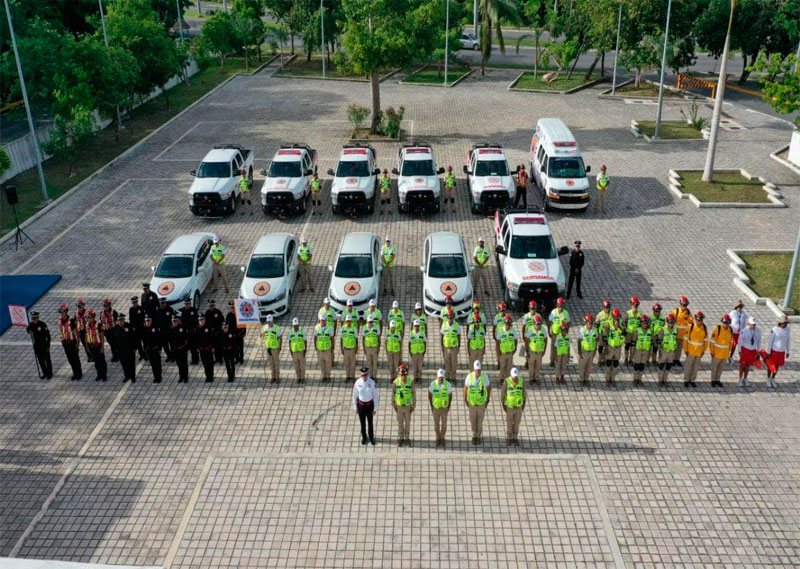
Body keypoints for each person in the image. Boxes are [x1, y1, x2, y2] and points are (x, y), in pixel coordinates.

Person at [464, 360, 490, 445]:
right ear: (474, 369)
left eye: (479, 370)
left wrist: (487, 399)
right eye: (476, 370)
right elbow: (466, 388)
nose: (478, 371)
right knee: (472, 420)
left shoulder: (485, 377)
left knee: (480, 420)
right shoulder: (469, 377)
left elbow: (488, 388)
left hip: (481, 403)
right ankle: (473, 434)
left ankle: (478, 436)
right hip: (472, 403)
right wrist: (465, 399)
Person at [353, 367, 379, 445]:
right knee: (362, 423)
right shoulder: (358, 383)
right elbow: (354, 396)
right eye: (362, 375)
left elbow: (375, 396)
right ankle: (364, 437)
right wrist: (355, 407)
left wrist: (375, 408)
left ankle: (371, 437)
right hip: (361, 406)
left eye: (365, 375)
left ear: (367, 375)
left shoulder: (372, 383)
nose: (364, 377)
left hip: (369, 405)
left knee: (370, 423)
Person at [682, 310, 708, 388]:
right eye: (698, 319)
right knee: (688, 367)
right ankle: (686, 380)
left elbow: (706, 341)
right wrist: (686, 350)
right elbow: (685, 339)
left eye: (701, 320)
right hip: (691, 351)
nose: (700, 321)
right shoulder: (690, 327)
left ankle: (692, 380)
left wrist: (704, 351)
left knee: (695, 367)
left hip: (699, 352)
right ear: (695, 319)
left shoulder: (704, 328)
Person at [392, 363, 415, 446]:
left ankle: (407, 438)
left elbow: (413, 394)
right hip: (399, 406)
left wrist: (413, 406)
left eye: (405, 375)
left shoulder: (410, 382)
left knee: (407, 423)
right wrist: (393, 404)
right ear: (399, 374)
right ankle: (401, 438)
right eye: (402, 375)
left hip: (408, 407)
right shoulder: (395, 382)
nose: (403, 377)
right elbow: (393, 394)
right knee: (400, 423)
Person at [58, 305, 82, 380]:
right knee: (70, 359)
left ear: (66, 312)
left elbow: (77, 333)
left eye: (63, 312)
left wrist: (78, 344)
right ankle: (74, 373)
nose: (62, 314)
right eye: (61, 312)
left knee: (76, 359)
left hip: (72, 343)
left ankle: (79, 373)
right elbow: (61, 331)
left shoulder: (71, 321)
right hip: (65, 343)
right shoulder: (59, 321)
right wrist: (62, 341)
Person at [429, 369, 453, 447]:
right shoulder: (433, 384)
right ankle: (437, 437)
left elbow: (450, 396)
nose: (441, 379)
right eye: (439, 377)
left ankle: (442, 437)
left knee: (444, 424)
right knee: (436, 424)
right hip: (436, 408)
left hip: (444, 408)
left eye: (442, 377)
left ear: (444, 377)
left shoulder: (448, 385)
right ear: (437, 376)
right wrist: (432, 405)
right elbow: (430, 395)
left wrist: (448, 405)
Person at [502, 367, 525, 446]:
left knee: (517, 423)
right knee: (509, 423)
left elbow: (524, 394)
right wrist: (504, 406)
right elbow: (503, 394)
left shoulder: (521, 382)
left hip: (518, 407)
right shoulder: (507, 381)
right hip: (510, 407)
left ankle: (515, 438)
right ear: (510, 375)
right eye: (513, 376)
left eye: (516, 376)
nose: (515, 378)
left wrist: (523, 406)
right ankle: (509, 438)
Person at [766, 315, 790, 386]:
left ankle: (773, 378)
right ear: (780, 323)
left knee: (777, 366)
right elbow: (770, 341)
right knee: (771, 366)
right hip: (774, 351)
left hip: (782, 351)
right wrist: (768, 352)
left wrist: (788, 351)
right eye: (784, 323)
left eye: (786, 323)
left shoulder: (787, 330)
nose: (785, 324)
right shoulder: (774, 330)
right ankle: (768, 379)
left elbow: (787, 341)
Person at [709, 314, 733, 387]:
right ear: (722, 322)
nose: (726, 324)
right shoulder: (717, 329)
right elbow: (712, 341)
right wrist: (712, 351)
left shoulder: (730, 330)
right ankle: (713, 380)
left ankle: (717, 380)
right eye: (725, 322)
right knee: (714, 368)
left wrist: (729, 352)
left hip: (724, 354)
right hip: (716, 353)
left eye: (727, 323)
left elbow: (730, 342)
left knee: (721, 368)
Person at [736, 317, 761, 388]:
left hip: (753, 350)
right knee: (742, 365)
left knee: (748, 365)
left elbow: (759, 341)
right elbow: (740, 341)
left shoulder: (758, 331)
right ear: (748, 323)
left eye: (754, 324)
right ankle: (740, 378)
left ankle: (745, 378)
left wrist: (758, 350)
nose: (753, 326)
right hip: (745, 349)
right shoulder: (744, 331)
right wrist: (739, 350)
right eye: (752, 324)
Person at [27, 311, 52, 380]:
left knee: (47, 360)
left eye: (35, 318)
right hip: (37, 346)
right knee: (41, 361)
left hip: (44, 345)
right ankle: (45, 373)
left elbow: (48, 336)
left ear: (38, 318)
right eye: (33, 319)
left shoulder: (42, 324)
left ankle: (50, 373)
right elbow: (28, 329)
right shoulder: (31, 325)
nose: (34, 320)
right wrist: (29, 330)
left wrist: (48, 345)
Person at [113, 314, 137, 383]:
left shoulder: (129, 326)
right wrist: (116, 349)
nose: (121, 322)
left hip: (130, 349)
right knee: (124, 364)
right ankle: (127, 376)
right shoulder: (116, 328)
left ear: (124, 320)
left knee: (131, 364)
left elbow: (134, 337)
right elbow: (114, 340)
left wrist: (135, 348)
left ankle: (133, 377)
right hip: (121, 350)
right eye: (119, 320)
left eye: (122, 320)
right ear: (118, 321)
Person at [656, 314, 679, 385]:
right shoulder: (662, 330)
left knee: (668, 366)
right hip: (664, 351)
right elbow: (659, 341)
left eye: (672, 322)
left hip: (671, 351)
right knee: (661, 366)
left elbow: (676, 339)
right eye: (669, 322)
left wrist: (676, 348)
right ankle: (660, 380)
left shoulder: (676, 329)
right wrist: (659, 351)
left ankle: (665, 380)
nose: (671, 324)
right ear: (667, 322)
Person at [603, 309, 624, 385]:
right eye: (615, 317)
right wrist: (606, 348)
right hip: (610, 347)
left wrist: (619, 327)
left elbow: (623, 333)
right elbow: (604, 337)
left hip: (618, 347)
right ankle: (607, 379)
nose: (616, 318)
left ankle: (613, 379)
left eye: (618, 317)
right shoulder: (608, 325)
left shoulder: (621, 324)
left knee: (615, 364)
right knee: (608, 364)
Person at [85, 310, 107, 381]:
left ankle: (104, 375)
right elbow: (86, 336)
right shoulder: (87, 325)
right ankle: (99, 374)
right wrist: (87, 346)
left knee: (102, 361)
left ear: (94, 317)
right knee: (96, 362)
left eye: (90, 317)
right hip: (92, 347)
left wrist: (102, 347)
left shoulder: (99, 324)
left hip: (98, 346)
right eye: (88, 317)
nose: (89, 319)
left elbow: (102, 336)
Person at [525, 314, 547, 384]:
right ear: (534, 323)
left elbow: (546, 340)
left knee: (538, 365)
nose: (538, 325)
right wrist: (527, 351)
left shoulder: (543, 329)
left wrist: (544, 350)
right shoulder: (530, 329)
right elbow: (526, 340)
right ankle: (531, 378)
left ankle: (537, 378)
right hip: (532, 351)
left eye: (539, 323)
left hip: (539, 351)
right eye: (536, 323)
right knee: (531, 365)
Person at [671, 297, 693, 366]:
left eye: (686, 305)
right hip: (675, 334)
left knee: (680, 348)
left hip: (683, 335)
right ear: (680, 304)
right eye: (683, 305)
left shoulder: (688, 313)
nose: (684, 307)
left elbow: (691, 322)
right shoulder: (676, 312)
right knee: (674, 347)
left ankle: (677, 359)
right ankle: (672, 360)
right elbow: (671, 321)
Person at [631, 315, 652, 385]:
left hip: (646, 351)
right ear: (641, 323)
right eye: (643, 323)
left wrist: (650, 353)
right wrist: (632, 352)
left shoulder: (649, 331)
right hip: (638, 351)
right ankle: (635, 379)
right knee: (636, 365)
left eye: (646, 323)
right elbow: (633, 342)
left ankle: (640, 379)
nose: (645, 325)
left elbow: (651, 343)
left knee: (642, 366)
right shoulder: (637, 331)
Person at [548, 298, 569, 367]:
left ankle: (560, 361)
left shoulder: (566, 313)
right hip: (555, 333)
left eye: (562, 306)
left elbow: (568, 323)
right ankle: (552, 360)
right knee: (553, 347)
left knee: (561, 348)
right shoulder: (553, 312)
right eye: (559, 306)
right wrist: (549, 331)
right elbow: (549, 322)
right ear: (557, 305)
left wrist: (567, 332)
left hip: (562, 334)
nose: (560, 307)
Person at [577, 314, 598, 385]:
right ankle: (581, 379)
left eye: (591, 323)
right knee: (582, 366)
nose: (590, 325)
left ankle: (586, 378)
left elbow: (596, 339)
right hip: (584, 351)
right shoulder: (582, 330)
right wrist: (579, 352)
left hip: (591, 351)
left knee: (589, 366)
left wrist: (595, 349)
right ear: (586, 323)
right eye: (589, 323)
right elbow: (579, 341)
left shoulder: (595, 330)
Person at [440, 310, 461, 382]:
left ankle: (453, 378)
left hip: (454, 347)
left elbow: (458, 336)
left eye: (451, 317)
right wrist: (442, 346)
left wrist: (459, 346)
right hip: (446, 347)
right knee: (447, 363)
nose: (450, 319)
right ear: (447, 317)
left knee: (454, 363)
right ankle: (447, 377)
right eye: (449, 317)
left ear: (453, 317)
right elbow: (442, 335)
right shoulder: (444, 325)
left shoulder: (457, 325)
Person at [495, 315, 517, 380]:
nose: (508, 325)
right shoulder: (501, 330)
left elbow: (515, 340)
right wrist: (498, 351)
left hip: (510, 352)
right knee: (502, 366)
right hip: (503, 353)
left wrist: (515, 349)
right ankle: (501, 379)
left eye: (509, 324)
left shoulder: (513, 330)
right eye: (506, 324)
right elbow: (498, 341)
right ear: (504, 323)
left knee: (509, 367)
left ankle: (508, 379)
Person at [141, 316, 163, 383]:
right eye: (146, 321)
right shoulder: (144, 329)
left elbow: (159, 339)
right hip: (149, 350)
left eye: (148, 321)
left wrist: (160, 349)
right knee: (153, 365)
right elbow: (143, 340)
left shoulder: (155, 328)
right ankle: (155, 377)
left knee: (157, 364)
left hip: (155, 349)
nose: (147, 322)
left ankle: (159, 377)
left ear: (151, 321)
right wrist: (145, 349)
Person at [169, 315, 190, 383]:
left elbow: (186, 338)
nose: (174, 323)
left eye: (175, 321)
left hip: (182, 348)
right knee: (179, 364)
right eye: (173, 321)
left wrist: (187, 348)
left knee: (184, 363)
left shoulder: (182, 328)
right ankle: (181, 376)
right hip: (176, 349)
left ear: (178, 321)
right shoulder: (171, 328)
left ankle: (186, 376)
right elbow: (170, 340)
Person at [261, 314, 282, 383]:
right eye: (268, 321)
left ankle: (277, 377)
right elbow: (262, 335)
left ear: (272, 321)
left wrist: (279, 347)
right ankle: (273, 377)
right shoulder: (265, 328)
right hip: (268, 348)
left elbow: (280, 338)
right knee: (271, 363)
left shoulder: (277, 328)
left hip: (275, 348)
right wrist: (261, 334)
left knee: (276, 363)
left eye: (270, 321)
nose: (269, 323)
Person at [313, 314, 334, 382]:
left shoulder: (330, 328)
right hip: (320, 350)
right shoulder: (316, 327)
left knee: (328, 364)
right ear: (320, 320)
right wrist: (315, 346)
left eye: (323, 320)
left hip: (327, 349)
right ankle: (323, 376)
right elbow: (315, 337)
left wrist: (332, 348)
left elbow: (332, 338)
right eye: (321, 320)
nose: (322, 321)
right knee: (321, 364)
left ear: (325, 321)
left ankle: (328, 376)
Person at [621, 297, 642, 365]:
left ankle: (631, 359)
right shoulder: (628, 313)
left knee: (633, 346)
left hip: (635, 333)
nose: (635, 307)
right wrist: (624, 331)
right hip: (628, 332)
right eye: (634, 305)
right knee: (627, 346)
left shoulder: (640, 313)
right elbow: (624, 322)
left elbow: (641, 323)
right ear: (631, 305)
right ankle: (626, 358)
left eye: (637, 305)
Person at [196, 315, 216, 382]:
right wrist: (197, 347)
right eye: (200, 320)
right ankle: (207, 376)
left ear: (205, 320)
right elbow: (196, 339)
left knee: (210, 363)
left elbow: (213, 338)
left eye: (202, 320)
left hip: (209, 349)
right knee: (205, 364)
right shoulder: (198, 328)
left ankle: (211, 376)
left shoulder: (209, 327)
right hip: (202, 350)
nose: (201, 321)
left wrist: (213, 347)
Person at [155, 298, 175, 362]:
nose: (163, 304)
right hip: (162, 332)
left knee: (172, 345)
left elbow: (174, 319)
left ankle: (173, 356)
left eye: (164, 303)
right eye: (161, 303)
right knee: (165, 346)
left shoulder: (170, 309)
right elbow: (157, 321)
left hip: (170, 331)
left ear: (166, 303)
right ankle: (169, 356)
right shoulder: (158, 311)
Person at [182, 297, 200, 365]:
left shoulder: (193, 310)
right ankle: (193, 359)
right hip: (188, 332)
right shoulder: (183, 311)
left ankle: (197, 359)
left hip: (194, 331)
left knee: (195, 346)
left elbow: (197, 320)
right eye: (186, 304)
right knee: (191, 347)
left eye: (188, 304)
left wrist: (196, 328)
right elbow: (183, 321)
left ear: (190, 304)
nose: (187, 305)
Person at [288, 318, 307, 383]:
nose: (295, 326)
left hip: (301, 351)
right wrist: (291, 351)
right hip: (294, 351)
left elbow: (305, 341)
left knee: (302, 365)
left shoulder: (302, 331)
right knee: (296, 366)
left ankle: (303, 378)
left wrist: (305, 351)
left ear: (298, 325)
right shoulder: (291, 332)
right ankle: (298, 378)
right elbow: (290, 342)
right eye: (294, 325)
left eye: (296, 325)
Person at [362, 315, 381, 379]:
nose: (370, 323)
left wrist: (378, 348)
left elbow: (378, 338)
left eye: (371, 322)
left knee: (375, 363)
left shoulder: (376, 327)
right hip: (367, 348)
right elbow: (363, 338)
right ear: (367, 322)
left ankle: (375, 377)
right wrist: (364, 348)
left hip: (374, 347)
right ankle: (370, 376)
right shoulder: (364, 327)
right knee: (369, 363)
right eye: (369, 322)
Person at [341, 315, 359, 381]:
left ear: (351, 321)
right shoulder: (343, 328)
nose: (348, 322)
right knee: (346, 363)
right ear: (345, 321)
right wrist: (341, 348)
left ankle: (353, 376)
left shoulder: (354, 328)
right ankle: (347, 376)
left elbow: (356, 339)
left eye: (349, 321)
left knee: (353, 363)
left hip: (352, 349)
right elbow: (341, 339)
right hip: (345, 348)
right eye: (347, 321)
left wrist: (356, 348)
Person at [594, 300, 613, 364]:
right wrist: (596, 335)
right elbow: (596, 325)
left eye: (608, 307)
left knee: (607, 346)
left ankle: (604, 359)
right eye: (605, 307)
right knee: (601, 347)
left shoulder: (612, 314)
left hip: (609, 333)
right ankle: (599, 359)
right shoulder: (600, 314)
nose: (607, 309)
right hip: (601, 333)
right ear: (603, 307)